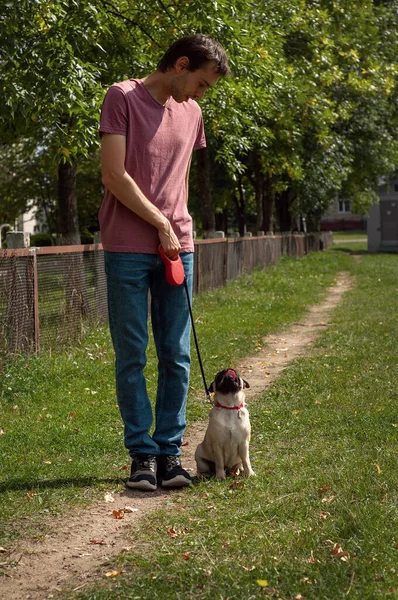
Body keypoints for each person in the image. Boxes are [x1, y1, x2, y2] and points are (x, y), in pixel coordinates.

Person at [99, 35, 231, 491]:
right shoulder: (122, 97)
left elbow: (176, 182)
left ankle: (169, 454)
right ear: (179, 64)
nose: (200, 95)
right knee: (132, 354)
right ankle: (141, 455)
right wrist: (160, 223)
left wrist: (175, 229)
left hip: (179, 247)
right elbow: (114, 175)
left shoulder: (192, 114)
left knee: (175, 355)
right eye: (199, 83)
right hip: (126, 247)